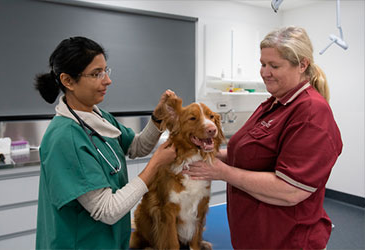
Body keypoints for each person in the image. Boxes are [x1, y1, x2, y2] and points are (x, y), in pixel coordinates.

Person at [184, 26, 343, 249]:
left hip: (286, 239)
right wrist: (214, 154)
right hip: (254, 235)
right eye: (262, 64)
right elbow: (252, 155)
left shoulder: (311, 113)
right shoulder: (274, 103)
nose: (265, 72)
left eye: (274, 66)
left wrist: (221, 172)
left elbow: (290, 190)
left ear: (303, 65)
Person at [34, 36, 176, 249]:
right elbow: (106, 210)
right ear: (68, 81)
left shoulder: (98, 117)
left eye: (105, 71)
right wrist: (156, 165)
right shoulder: (65, 138)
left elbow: (136, 147)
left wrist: (157, 119)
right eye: (96, 74)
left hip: (109, 241)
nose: (107, 80)